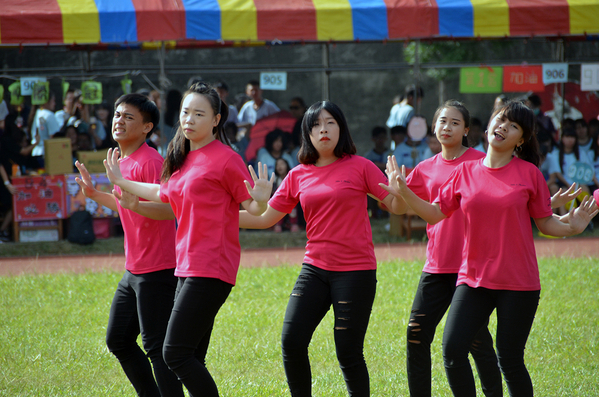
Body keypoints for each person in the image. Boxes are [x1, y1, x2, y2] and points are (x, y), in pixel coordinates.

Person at [383, 100, 597, 396]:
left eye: (513, 126)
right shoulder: (465, 172)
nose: (503, 127)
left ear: (520, 140)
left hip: (518, 282)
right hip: (472, 281)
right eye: (501, 120)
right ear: (489, 125)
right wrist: (404, 190)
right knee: (453, 350)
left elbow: (546, 223)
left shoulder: (529, 174)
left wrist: (572, 226)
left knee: (509, 360)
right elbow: (434, 213)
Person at [103, 82, 273, 397]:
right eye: (185, 112)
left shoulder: (226, 158)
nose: (189, 119)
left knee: (173, 353)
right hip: (185, 268)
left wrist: (261, 199)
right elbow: (162, 193)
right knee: (190, 356)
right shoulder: (180, 157)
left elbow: (250, 206)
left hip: (211, 267)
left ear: (216, 120)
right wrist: (122, 184)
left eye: (199, 113)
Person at [239, 100, 407, 396]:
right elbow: (265, 218)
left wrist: (400, 191)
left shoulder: (361, 166)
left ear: (341, 128)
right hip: (314, 269)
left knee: (348, 352)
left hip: (355, 272)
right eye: (315, 124)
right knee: (291, 341)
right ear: (307, 134)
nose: (323, 129)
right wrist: (211, 216)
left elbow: (395, 205)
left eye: (330, 122)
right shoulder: (298, 174)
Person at [385, 100, 502, 397]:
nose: (446, 127)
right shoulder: (425, 168)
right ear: (433, 128)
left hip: (471, 269)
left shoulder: (481, 162)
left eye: (454, 122)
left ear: (466, 129)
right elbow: (398, 207)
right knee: (415, 334)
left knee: (477, 341)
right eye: (441, 122)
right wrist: (396, 189)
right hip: (436, 267)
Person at [74, 93, 183, 397]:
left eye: (128, 117)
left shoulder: (151, 161)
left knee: (156, 347)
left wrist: (131, 202)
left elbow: (172, 208)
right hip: (134, 269)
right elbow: (127, 203)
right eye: (117, 115)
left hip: (158, 268)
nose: (119, 121)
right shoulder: (122, 161)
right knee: (119, 340)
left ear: (147, 127)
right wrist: (95, 194)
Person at [30, 92, 60, 158]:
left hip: (34, 152)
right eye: (53, 101)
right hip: (45, 154)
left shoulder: (36, 113)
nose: (54, 104)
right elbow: (54, 138)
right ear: (46, 101)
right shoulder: (49, 115)